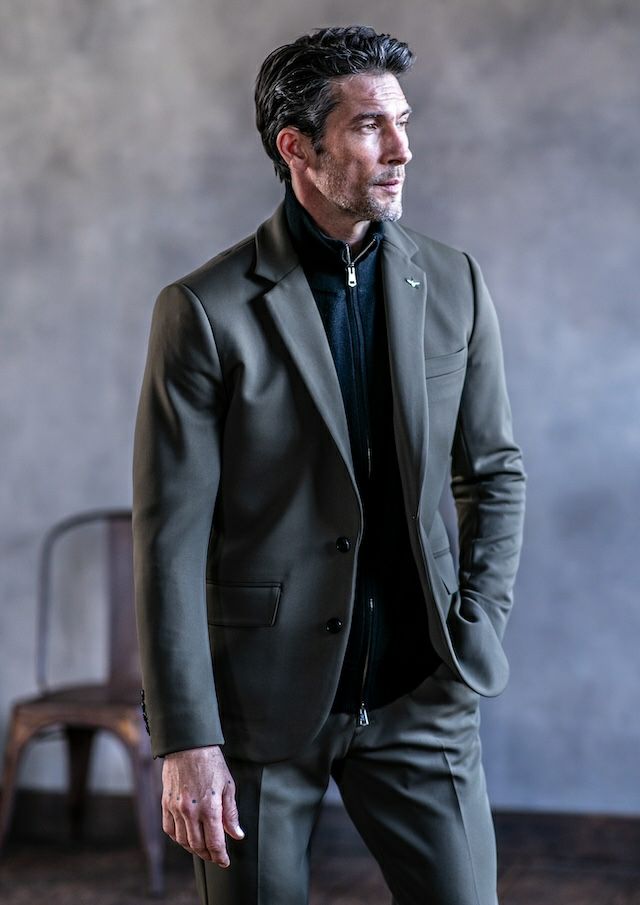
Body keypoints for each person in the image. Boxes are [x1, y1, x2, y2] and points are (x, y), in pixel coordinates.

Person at [132, 25, 526, 905]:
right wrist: (187, 738)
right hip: (256, 713)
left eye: (402, 122)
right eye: (369, 126)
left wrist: (476, 623)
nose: (401, 150)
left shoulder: (454, 281)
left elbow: (494, 472)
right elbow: (169, 542)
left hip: (422, 693)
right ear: (297, 148)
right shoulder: (204, 311)